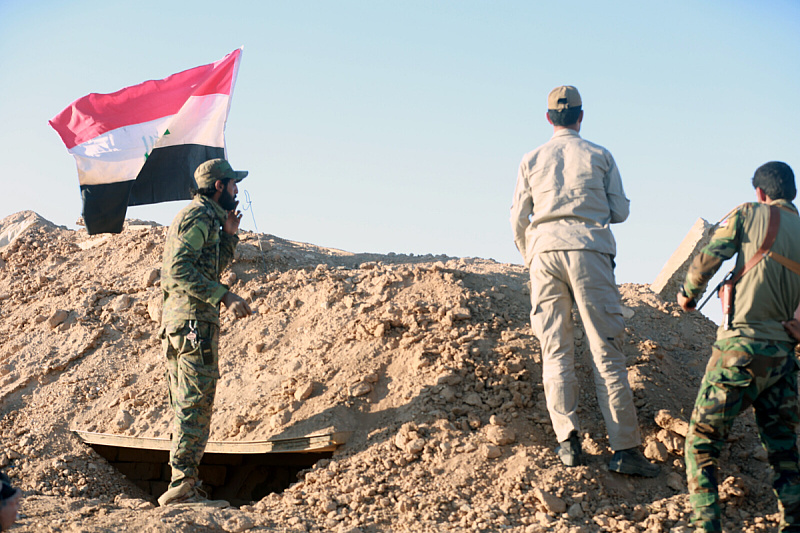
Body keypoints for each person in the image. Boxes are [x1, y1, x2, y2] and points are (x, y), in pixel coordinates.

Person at [510, 85, 658, 477]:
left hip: (543, 253)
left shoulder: (531, 159)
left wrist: (532, 255)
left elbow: (516, 218)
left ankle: (568, 443)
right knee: (606, 351)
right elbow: (620, 211)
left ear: (548, 119)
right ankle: (625, 449)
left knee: (555, 350)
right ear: (581, 116)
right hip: (589, 250)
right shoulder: (599, 155)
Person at [678, 161, 800, 532]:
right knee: (784, 453)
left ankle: (707, 526)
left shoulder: (749, 213)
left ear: (760, 193)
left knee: (700, 443)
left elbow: (710, 257)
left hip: (741, 351)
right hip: (783, 359)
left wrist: (688, 294)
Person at [157, 158, 253, 507]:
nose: (236, 190)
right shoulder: (197, 217)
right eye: (232, 184)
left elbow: (207, 266)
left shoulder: (208, 219)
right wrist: (224, 295)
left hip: (185, 323)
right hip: (193, 323)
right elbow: (179, 269)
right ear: (219, 186)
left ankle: (184, 482)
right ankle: (183, 486)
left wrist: (228, 238)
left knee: (188, 404)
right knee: (195, 405)